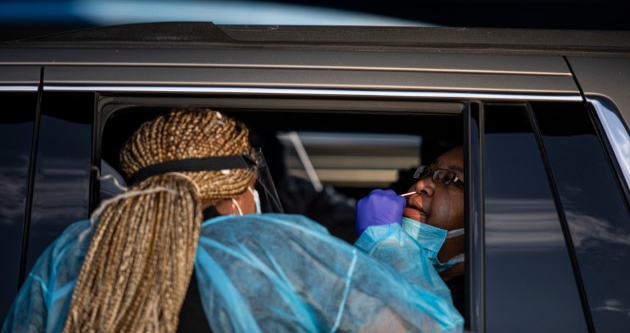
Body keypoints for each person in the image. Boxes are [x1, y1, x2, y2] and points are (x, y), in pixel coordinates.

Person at [3, 109, 463, 333]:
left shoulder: (72, 253)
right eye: (255, 184)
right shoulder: (271, 249)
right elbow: (424, 328)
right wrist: (386, 245)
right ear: (236, 197)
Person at [354, 146, 465, 315]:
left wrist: (385, 244)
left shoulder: (479, 306)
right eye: (428, 172)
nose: (420, 185)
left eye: (449, 179)